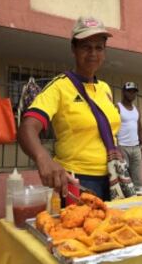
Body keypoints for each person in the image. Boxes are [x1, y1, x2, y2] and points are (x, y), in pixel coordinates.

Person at [18, 16, 120, 201]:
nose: (93, 53)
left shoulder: (105, 89)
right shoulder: (59, 87)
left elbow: (107, 133)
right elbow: (27, 128)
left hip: (113, 179)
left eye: (99, 47)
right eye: (86, 47)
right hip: (76, 181)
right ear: (73, 49)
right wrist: (43, 158)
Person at [116, 82, 142, 190]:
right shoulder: (118, 107)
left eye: (134, 92)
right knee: (124, 179)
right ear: (124, 92)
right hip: (122, 148)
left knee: (138, 179)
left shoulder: (136, 110)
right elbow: (113, 128)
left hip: (136, 148)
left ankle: (139, 201)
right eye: (129, 91)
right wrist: (117, 147)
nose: (132, 94)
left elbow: (140, 129)